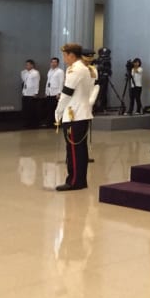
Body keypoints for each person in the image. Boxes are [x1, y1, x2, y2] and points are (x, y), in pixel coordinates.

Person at [54, 43, 97, 191]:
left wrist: (58, 111)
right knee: (79, 149)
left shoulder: (75, 70)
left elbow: (67, 92)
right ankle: (80, 180)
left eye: (65, 55)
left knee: (73, 150)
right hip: (81, 113)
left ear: (72, 55)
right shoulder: (86, 69)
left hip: (74, 114)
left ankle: (74, 181)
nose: (64, 58)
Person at [43, 57, 65, 127]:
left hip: (56, 93)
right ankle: (49, 123)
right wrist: (46, 91)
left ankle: (56, 123)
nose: (53, 63)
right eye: (52, 62)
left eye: (55, 62)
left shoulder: (60, 71)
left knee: (55, 109)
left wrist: (59, 93)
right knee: (49, 108)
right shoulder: (50, 71)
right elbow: (48, 82)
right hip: (49, 92)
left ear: (57, 63)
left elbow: (61, 82)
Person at [20, 59, 40, 128]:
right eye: (26, 65)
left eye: (28, 65)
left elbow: (37, 83)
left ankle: (32, 123)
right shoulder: (25, 72)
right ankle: (26, 122)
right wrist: (23, 92)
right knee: (25, 109)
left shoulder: (35, 73)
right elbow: (23, 81)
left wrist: (36, 93)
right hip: (25, 92)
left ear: (32, 65)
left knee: (31, 109)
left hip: (32, 94)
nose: (27, 66)